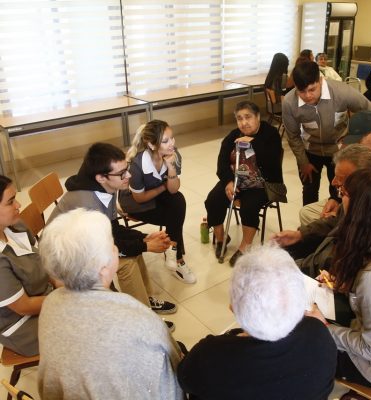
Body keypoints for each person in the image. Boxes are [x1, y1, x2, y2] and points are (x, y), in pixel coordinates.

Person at [38, 208, 184, 400]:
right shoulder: (136, 315)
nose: (115, 248)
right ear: (104, 266)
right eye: (112, 244)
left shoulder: (50, 303)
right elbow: (174, 363)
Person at [177, 245, 337, 400]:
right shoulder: (320, 336)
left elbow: (184, 380)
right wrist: (315, 327)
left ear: (233, 307)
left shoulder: (210, 355)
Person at [48, 143, 177, 320]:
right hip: (66, 258)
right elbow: (107, 245)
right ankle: (140, 317)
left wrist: (144, 238)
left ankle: (145, 302)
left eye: (127, 169)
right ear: (101, 177)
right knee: (127, 262)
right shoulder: (88, 203)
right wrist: (145, 246)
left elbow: (112, 228)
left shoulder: (108, 187)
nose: (129, 175)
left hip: (84, 244)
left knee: (136, 250)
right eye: (122, 173)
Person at [307, 168, 371, 390]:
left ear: (360, 209)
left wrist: (325, 329)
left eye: (343, 192)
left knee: (301, 344)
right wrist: (347, 281)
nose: (339, 196)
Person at [282, 61, 371, 206]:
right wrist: (303, 162)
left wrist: (351, 140)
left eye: (312, 89)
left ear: (320, 80)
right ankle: (309, 227)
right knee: (309, 190)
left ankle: (336, 225)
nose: (307, 96)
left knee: (339, 191)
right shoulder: (289, 102)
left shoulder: (341, 92)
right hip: (309, 150)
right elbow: (292, 136)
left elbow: (370, 112)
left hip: (340, 150)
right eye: (301, 91)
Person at [205, 101, 283, 266]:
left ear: (258, 117)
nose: (243, 122)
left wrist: (253, 143)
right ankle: (221, 238)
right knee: (212, 200)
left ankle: (244, 247)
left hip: (262, 182)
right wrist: (228, 182)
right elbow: (222, 164)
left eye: (248, 117)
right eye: (239, 118)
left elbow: (272, 164)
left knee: (249, 207)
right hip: (235, 180)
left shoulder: (271, 134)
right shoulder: (233, 136)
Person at [273, 145, 371, 261]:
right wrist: (300, 234)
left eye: (340, 178)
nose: (334, 182)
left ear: (362, 182)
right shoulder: (356, 200)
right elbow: (335, 222)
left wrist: (294, 267)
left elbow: (331, 260)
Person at [119, 120, 196, 284]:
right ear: (152, 145)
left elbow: (173, 189)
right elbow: (139, 198)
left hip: (156, 193)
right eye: (166, 141)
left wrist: (171, 167)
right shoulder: (136, 165)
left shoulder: (174, 155)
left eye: (172, 138)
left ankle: (172, 250)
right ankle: (177, 259)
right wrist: (164, 186)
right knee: (174, 217)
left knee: (178, 200)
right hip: (135, 203)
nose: (172, 144)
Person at [299, 109, 371, 226]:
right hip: (351, 198)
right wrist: (335, 199)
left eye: (359, 140)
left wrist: (343, 215)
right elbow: (342, 177)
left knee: (324, 223)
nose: (355, 144)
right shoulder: (362, 150)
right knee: (306, 213)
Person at [0, 175, 53, 356]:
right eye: (11, 202)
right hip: (22, 325)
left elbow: (41, 260)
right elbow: (23, 306)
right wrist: (66, 298)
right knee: (89, 326)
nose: (18, 206)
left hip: (44, 296)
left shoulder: (15, 226)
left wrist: (61, 284)